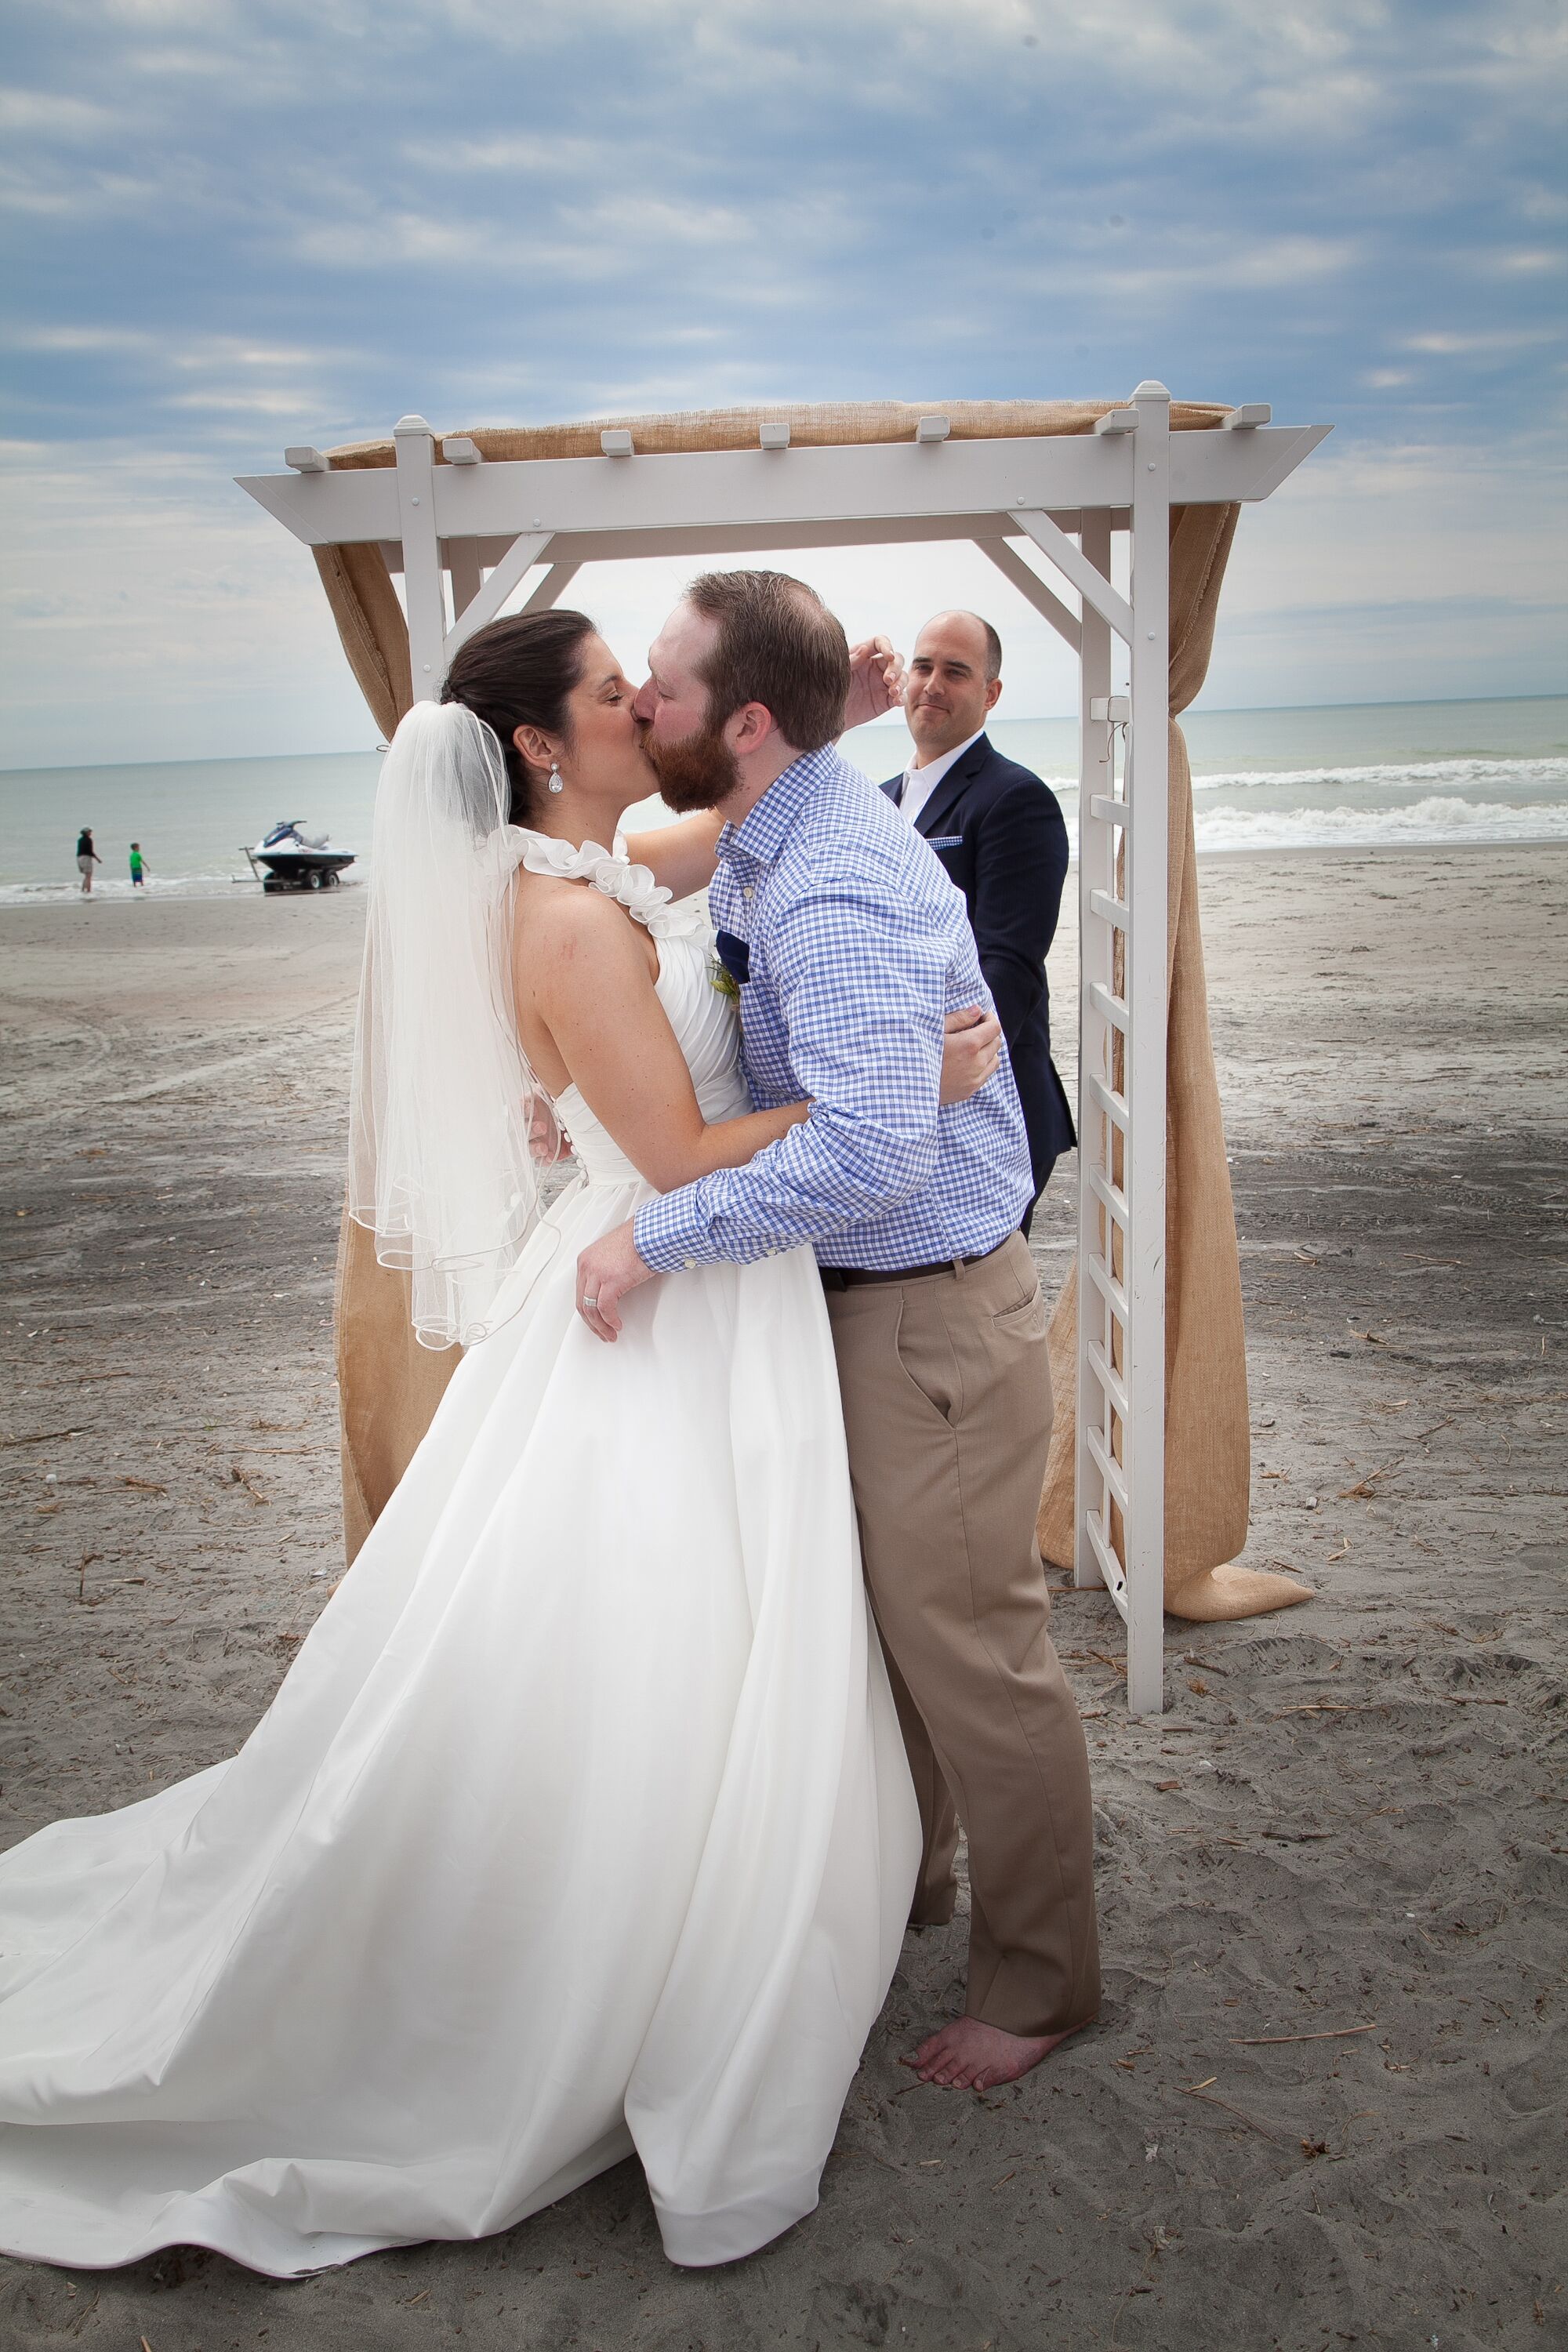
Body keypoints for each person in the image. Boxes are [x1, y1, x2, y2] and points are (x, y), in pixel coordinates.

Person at [0, 611, 999, 2280]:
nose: (645, 706)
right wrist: (902, 1081)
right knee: (649, 1634)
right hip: (669, 1287)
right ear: (542, 745)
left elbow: (738, 797)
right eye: (617, 692)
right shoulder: (564, 923)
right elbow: (678, 1160)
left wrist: (839, 696)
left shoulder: (613, 866)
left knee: (694, 1626)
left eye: (650, 685)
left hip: (704, 1294)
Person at [577, 572, 1100, 2096]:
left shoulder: (832, 881)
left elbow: (873, 1153)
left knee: (975, 1656)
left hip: (928, 1323)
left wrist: (654, 1234)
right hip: (858, 1314)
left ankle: (1041, 1981)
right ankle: (910, 1889)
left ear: (740, 721)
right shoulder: (770, 826)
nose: (637, 705)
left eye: (659, 686)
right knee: (887, 1644)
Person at [884, 610, 1073, 1236]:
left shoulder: (1015, 798)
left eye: (956, 672)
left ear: (990, 693)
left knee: (979, 1312)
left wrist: (919, 1073)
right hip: (915, 1092)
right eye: (923, 666)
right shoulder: (878, 800)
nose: (932, 684)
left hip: (991, 1105)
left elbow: (1007, 969)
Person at [74, 827, 100, 895]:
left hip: (79, 858)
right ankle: (88, 891)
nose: (90, 833)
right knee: (89, 876)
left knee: (86, 876)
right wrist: (97, 859)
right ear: (86, 833)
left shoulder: (80, 840)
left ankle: (83, 890)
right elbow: (90, 851)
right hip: (86, 858)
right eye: (89, 832)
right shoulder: (89, 840)